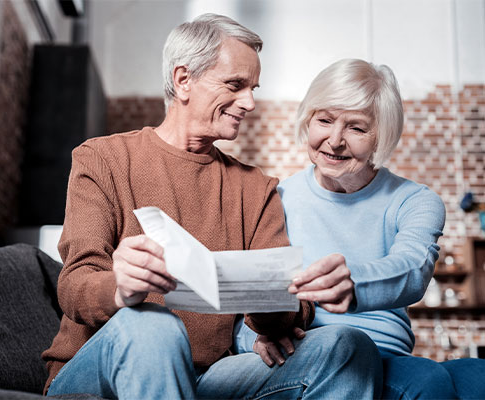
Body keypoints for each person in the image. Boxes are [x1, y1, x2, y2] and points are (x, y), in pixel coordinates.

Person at [42, 15, 382, 400]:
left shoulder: (256, 188)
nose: (250, 102)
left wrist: (270, 303)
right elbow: (74, 285)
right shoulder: (103, 158)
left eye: (253, 88)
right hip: (97, 368)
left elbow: (291, 310)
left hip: (208, 377)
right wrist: (119, 287)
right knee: (153, 324)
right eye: (235, 85)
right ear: (184, 79)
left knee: (346, 347)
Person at [273, 58, 485, 399]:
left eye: (356, 128)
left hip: (388, 355)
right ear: (307, 121)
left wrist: (354, 283)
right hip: (312, 353)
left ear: (381, 136)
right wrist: (259, 334)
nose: (335, 140)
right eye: (324, 120)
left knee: (478, 375)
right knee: (426, 380)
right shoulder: (277, 198)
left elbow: (413, 267)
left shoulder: (414, 200)